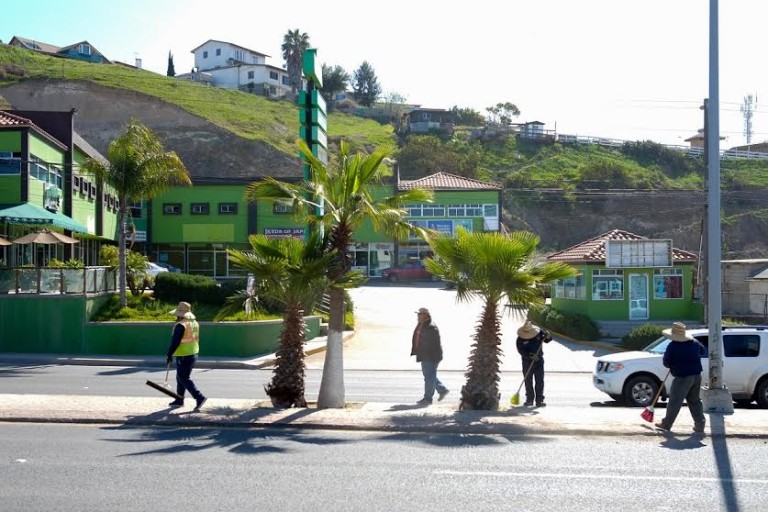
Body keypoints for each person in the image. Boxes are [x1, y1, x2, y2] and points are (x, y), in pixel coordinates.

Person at [655, 322, 707, 433]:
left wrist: (673, 364)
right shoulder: (695, 343)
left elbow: (666, 362)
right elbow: (702, 351)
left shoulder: (672, 346)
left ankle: (666, 424)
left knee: (675, 401)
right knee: (694, 401)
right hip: (696, 376)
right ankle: (700, 424)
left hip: (682, 378)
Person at [165, 301, 207, 410]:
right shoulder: (194, 323)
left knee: (183, 377)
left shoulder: (181, 325)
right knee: (180, 377)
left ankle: (199, 397)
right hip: (193, 352)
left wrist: (169, 354)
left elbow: (175, 342)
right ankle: (179, 399)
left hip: (184, 354)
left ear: (180, 314)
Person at [411, 307, 449, 405]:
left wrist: (424, 353)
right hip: (425, 356)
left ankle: (428, 399)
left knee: (429, 377)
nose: (418, 316)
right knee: (430, 376)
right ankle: (442, 390)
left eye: (420, 314)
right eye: (418, 314)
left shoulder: (431, 327)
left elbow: (430, 344)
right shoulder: (422, 324)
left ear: (425, 315)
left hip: (431, 356)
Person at [516, 320, 552, 407]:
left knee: (539, 381)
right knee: (528, 381)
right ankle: (529, 400)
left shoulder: (539, 333)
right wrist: (529, 356)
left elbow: (547, 340)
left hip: (539, 361)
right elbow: (520, 350)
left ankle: (539, 401)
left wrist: (548, 336)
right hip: (527, 362)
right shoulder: (520, 339)